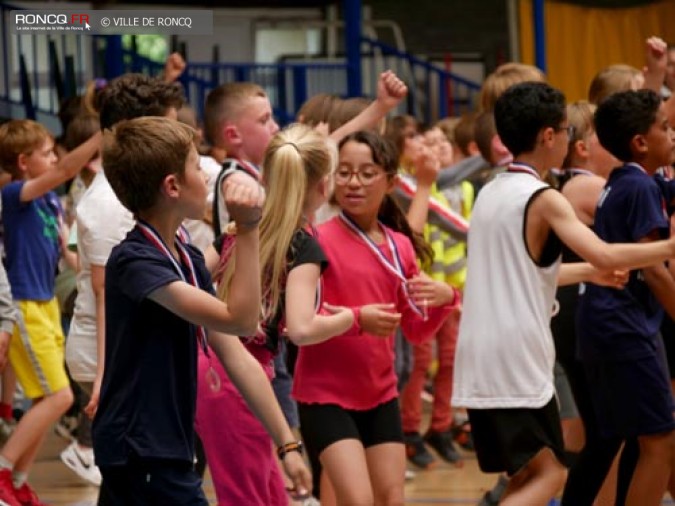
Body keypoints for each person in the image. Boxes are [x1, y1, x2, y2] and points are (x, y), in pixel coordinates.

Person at [451, 81, 675, 506]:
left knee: (525, 476)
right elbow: (607, 253)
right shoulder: (543, 197)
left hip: (480, 357)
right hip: (512, 361)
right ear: (548, 136)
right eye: (566, 131)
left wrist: (590, 271)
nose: (570, 141)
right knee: (551, 474)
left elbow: (528, 273)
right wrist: (665, 247)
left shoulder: (490, 192)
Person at [92, 116, 311, 505]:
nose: (207, 177)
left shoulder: (188, 256)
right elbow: (241, 319)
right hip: (138, 447)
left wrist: (287, 444)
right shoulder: (135, 262)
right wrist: (247, 228)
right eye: (197, 166)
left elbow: (234, 351)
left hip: (162, 445)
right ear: (172, 186)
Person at [294, 130, 460, 505]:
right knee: (357, 500)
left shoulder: (400, 245)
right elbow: (300, 322)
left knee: (392, 498)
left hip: (380, 392)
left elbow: (415, 332)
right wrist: (357, 319)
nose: (354, 182)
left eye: (367, 173)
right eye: (346, 172)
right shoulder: (312, 238)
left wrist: (446, 300)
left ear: (389, 180)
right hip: (325, 394)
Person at [575, 89, 675, 506]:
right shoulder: (638, 188)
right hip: (624, 328)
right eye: (665, 128)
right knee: (660, 441)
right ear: (640, 142)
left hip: (605, 327)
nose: (672, 135)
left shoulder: (625, 181)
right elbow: (652, 267)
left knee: (641, 439)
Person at [0, 119, 100, 506]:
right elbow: (64, 170)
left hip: (46, 303)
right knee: (60, 399)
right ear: (24, 162)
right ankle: (4, 469)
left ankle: (19, 479)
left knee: (49, 401)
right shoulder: (14, 194)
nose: (54, 157)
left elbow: (66, 256)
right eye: (45, 153)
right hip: (25, 305)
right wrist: (100, 136)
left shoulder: (50, 202)